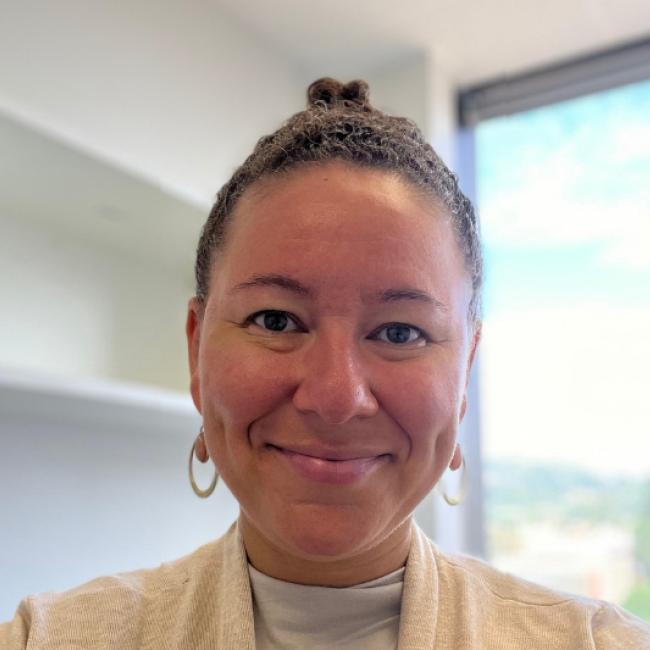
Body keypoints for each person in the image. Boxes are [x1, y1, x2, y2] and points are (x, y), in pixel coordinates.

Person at [1, 78, 649, 650]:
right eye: (276, 321)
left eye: (399, 331)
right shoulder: (49, 638)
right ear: (197, 352)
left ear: (465, 376)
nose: (336, 397)